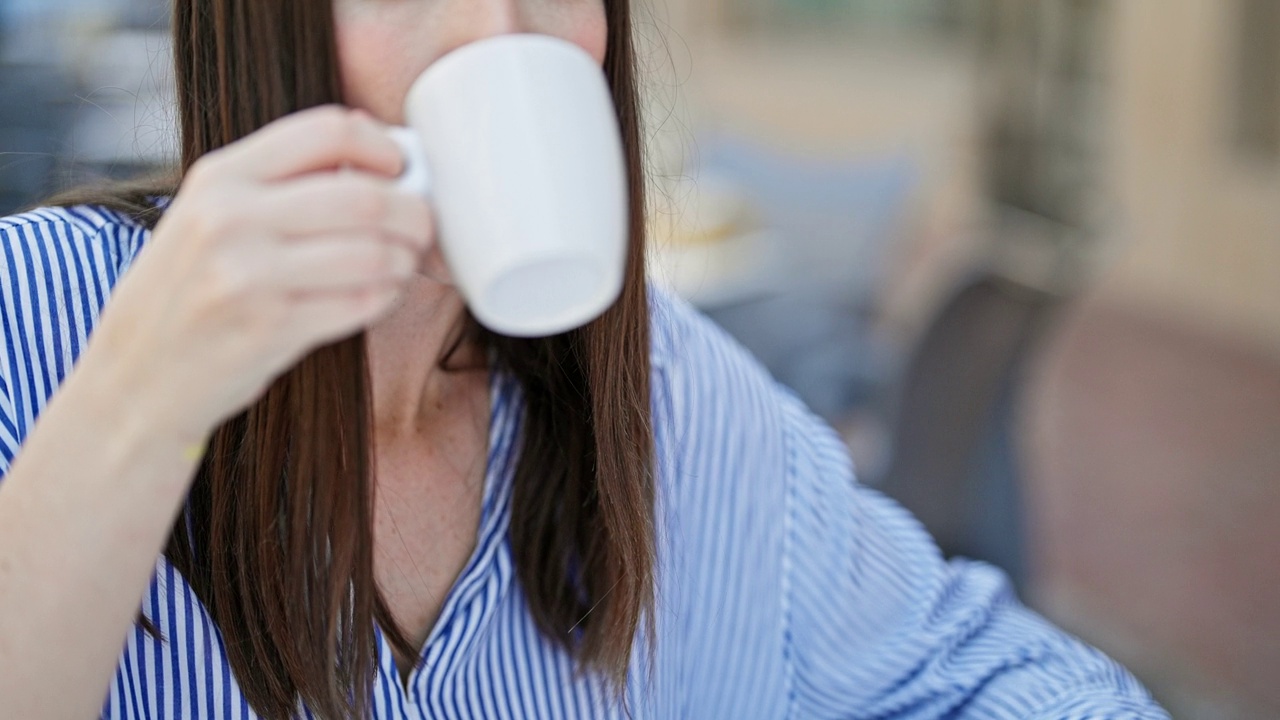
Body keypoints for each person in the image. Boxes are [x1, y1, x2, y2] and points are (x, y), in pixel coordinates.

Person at [0, 1, 1169, 718]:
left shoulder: (673, 402)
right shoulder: (39, 316)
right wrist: (141, 403)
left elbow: (986, 673)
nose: (492, 35)